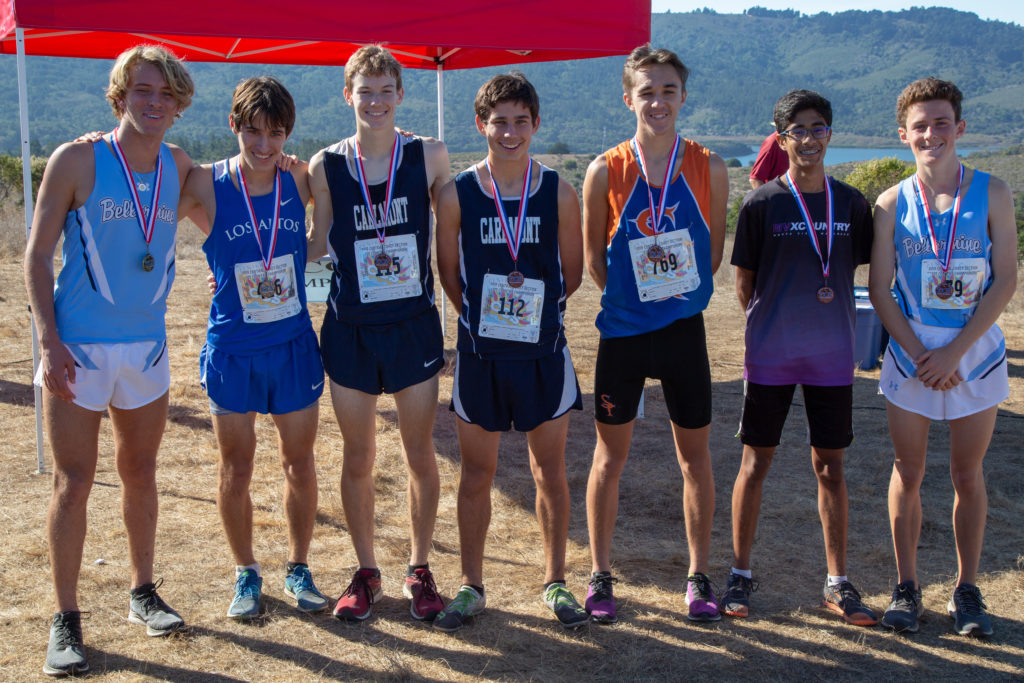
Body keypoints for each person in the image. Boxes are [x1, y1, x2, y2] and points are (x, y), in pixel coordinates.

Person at [25, 45, 196, 676]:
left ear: (178, 107)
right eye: (142, 91)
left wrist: (287, 162)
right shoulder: (78, 158)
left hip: (146, 348)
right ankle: (65, 620)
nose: (154, 103)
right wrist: (47, 340)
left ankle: (142, 593)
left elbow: (242, 191)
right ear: (120, 94)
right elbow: (37, 256)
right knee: (73, 485)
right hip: (80, 349)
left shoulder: (180, 166)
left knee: (141, 473)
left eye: (166, 95)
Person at [433, 72, 585, 632]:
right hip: (480, 357)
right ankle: (471, 584)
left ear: (535, 124)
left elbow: (572, 273)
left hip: (543, 355)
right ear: (482, 125)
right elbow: (447, 272)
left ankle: (556, 581)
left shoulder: (558, 191)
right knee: (476, 474)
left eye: (521, 121)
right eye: (500, 121)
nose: (511, 132)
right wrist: (485, 318)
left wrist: (528, 316)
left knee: (550, 473)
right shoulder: (459, 193)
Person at [582, 45, 728, 624]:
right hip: (623, 332)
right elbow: (596, 259)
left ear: (682, 96)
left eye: (668, 90)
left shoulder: (709, 166)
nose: (658, 101)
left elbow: (713, 251)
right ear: (628, 98)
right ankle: (599, 574)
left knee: (694, 460)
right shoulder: (605, 169)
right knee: (607, 459)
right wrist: (635, 296)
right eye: (647, 91)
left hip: (683, 331)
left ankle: (697, 576)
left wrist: (673, 293)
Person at [722, 90, 877, 626]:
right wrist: (775, 330)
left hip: (832, 358)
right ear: (780, 135)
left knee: (831, 468)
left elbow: (863, 273)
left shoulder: (853, 204)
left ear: (829, 134)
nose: (808, 139)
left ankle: (838, 581)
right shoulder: (762, 203)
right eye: (797, 130)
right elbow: (745, 287)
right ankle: (739, 576)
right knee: (755, 462)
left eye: (818, 128)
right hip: (771, 357)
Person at [307, 45, 450, 622]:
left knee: (420, 453)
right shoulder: (324, 165)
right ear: (348, 95)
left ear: (400, 94)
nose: (374, 100)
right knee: (359, 455)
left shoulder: (430, 155)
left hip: (413, 326)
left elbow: (453, 235)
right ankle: (366, 571)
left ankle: (419, 568)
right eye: (364, 90)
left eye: (385, 89)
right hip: (350, 329)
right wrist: (305, 308)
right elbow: (318, 245)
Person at [869, 78, 1016, 637]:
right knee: (908, 471)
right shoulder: (890, 203)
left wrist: (954, 351)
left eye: (941, 122)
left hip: (973, 352)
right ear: (903, 134)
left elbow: (1005, 279)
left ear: (960, 127)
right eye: (920, 125)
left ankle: (967, 589)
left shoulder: (995, 193)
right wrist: (921, 354)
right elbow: (880, 289)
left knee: (966, 474)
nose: (931, 133)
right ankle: (907, 587)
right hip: (911, 354)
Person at [178, 76, 328, 620]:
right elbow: (144, 207)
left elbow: (346, 201)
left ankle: (298, 565)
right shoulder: (204, 182)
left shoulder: (302, 178)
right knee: (236, 467)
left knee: (299, 464)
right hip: (233, 348)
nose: (265, 146)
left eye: (276, 134)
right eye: (253, 132)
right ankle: (246, 572)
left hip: (291, 346)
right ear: (234, 127)